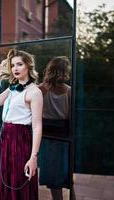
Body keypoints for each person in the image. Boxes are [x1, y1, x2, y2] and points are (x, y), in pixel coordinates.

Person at [0, 49, 43, 200]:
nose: (15, 68)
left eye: (19, 64)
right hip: (7, 138)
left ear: (28, 66)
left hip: (20, 138)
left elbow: (37, 127)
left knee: (19, 179)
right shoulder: (12, 89)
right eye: (12, 65)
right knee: (7, 178)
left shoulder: (34, 92)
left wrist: (33, 158)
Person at [38, 56, 73, 200]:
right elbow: (71, 116)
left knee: (53, 176)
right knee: (65, 173)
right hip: (63, 135)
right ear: (65, 72)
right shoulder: (69, 90)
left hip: (47, 135)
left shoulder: (41, 89)